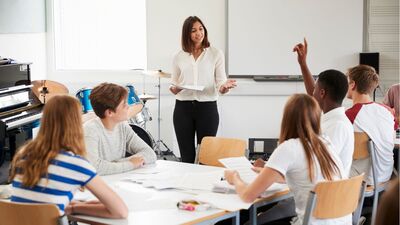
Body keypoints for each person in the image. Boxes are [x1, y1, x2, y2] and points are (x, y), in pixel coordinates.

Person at [225, 94, 348, 225]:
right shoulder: (325, 143)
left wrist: (234, 178)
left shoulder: (290, 148)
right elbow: (306, 177)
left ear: (287, 118)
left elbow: (247, 196)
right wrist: (269, 174)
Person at [9, 95, 128, 218]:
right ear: (76, 124)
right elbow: (120, 212)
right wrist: (73, 208)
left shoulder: (23, 155)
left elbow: (36, 199)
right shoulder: (76, 164)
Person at [170, 16, 237, 163]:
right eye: (193, 30)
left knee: (205, 157)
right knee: (187, 157)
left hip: (207, 108)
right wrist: (175, 89)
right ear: (187, 33)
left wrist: (224, 88)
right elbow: (174, 83)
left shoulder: (215, 53)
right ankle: (186, 186)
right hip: (183, 109)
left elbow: (221, 83)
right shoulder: (178, 56)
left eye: (201, 29)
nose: (198, 33)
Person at [292, 38, 354, 175]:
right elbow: (313, 93)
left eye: (316, 89)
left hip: (326, 193)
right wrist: (302, 64)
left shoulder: (337, 126)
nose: (311, 93)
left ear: (322, 93)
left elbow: (316, 165)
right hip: (323, 187)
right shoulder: (331, 116)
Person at [84, 83, 157, 175]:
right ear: (110, 112)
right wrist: (130, 164)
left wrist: (113, 165)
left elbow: (150, 154)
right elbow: (94, 168)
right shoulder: (90, 130)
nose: (128, 107)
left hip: (116, 179)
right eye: (124, 104)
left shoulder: (122, 126)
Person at [346, 65, 396, 183]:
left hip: (361, 178)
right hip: (385, 176)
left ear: (353, 84)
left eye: (348, 83)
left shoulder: (349, 115)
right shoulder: (387, 111)